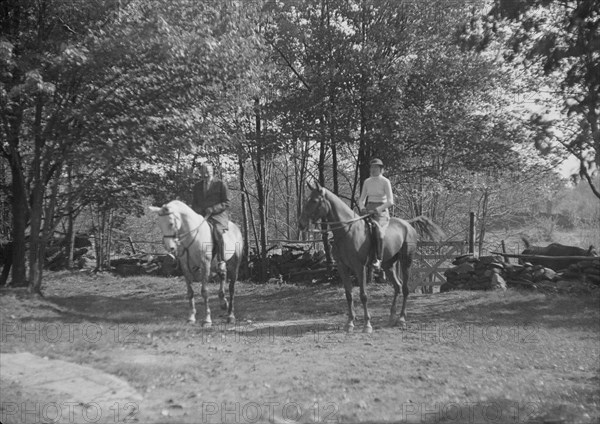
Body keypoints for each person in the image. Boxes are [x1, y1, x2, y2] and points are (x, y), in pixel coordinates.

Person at [192, 163, 230, 274]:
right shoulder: (197, 186)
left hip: (218, 216)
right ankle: (195, 262)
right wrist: (199, 211)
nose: (205, 174)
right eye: (203, 172)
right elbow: (194, 204)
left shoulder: (221, 184)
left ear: (212, 172)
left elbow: (226, 203)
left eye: (207, 172)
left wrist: (213, 209)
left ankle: (221, 260)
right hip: (202, 216)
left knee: (217, 232)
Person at [357, 158, 394, 272]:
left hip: (381, 211)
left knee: (378, 232)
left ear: (381, 169)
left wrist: (379, 209)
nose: (373, 170)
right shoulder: (367, 182)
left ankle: (378, 259)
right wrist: (362, 208)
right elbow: (361, 199)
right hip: (368, 209)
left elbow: (390, 201)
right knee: (356, 229)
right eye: (372, 167)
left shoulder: (385, 181)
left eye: (376, 168)